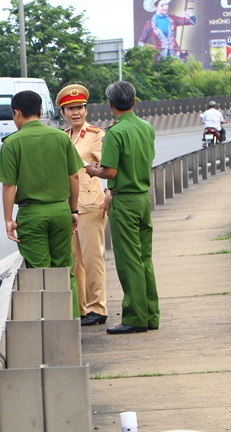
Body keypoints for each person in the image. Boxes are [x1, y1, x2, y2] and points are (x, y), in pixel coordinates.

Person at [0, 90, 82, 319]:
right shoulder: (61, 138)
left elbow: (8, 186)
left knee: (39, 272)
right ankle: (70, 322)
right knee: (64, 270)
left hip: (32, 215)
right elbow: (74, 177)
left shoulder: (12, 143)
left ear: (16, 113)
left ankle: (48, 325)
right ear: (41, 112)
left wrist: (8, 220)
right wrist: (72, 210)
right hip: (61, 210)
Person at [85, 81, 160, 335]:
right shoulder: (146, 127)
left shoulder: (115, 133)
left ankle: (134, 317)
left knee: (128, 260)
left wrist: (94, 170)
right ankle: (150, 314)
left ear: (110, 104)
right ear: (134, 101)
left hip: (124, 199)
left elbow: (110, 170)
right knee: (144, 258)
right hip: (142, 198)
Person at [56, 84, 110, 326]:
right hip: (68, 205)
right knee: (74, 260)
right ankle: (81, 309)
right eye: (70, 109)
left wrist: (110, 192)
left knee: (92, 257)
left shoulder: (97, 135)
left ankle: (98, 308)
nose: (75, 112)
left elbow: (110, 167)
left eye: (79, 107)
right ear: (63, 112)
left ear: (86, 109)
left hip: (90, 204)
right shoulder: (62, 137)